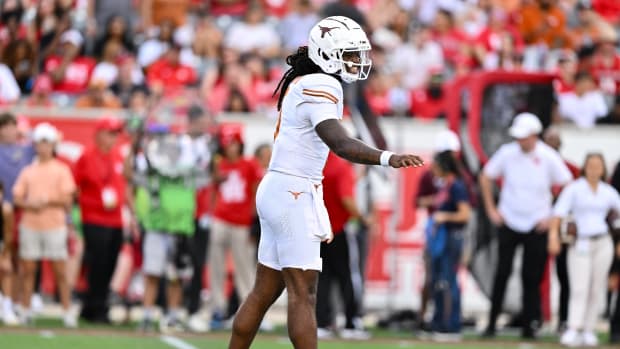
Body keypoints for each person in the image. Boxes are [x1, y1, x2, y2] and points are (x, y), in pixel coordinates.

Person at [227, 16, 424, 349]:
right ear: (328, 54)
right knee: (304, 294)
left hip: (280, 187)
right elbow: (340, 143)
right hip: (293, 190)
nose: (357, 62)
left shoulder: (306, 82)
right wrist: (387, 158)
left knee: (264, 291)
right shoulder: (323, 84)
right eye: (349, 54)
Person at [480, 113, 572, 339]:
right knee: (501, 272)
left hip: (536, 224)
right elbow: (486, 176)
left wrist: (552, 216)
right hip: (509, 220)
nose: (520, 141)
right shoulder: (507, 153)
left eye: (524, 137)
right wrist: (492, 209)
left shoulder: (548, 156)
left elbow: (568, 184)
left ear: (534, 135)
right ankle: (492, 323)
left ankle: (530, 325)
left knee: (531, 277)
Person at [549, 153, 620, 347]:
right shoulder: (574, 189)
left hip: (603, 241)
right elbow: (558, 214)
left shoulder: (608, 192)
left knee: (596, 288)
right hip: (580, 242)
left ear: (603, 169)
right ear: (585, 167)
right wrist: (554, 236)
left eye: (598, 166)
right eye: (591, 165)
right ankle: (574, 327)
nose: (594, 169)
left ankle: (589, 329)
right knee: (579, 287)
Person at [13, 123, 77, 327]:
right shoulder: (28, 170)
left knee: (60, 270)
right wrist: (30, 203)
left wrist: (46, 200)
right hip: (31, 224)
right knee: (28, 269)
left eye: (47, 143)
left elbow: (68, 199)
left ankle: (67, 311)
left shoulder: (61, 169)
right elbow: (17, 198)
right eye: (40, 143)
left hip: (54, 225)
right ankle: (25, 310)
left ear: (53, 145)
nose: (43, 147)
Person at [209, 124, 262, 329]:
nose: (230, 147)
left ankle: (249, 312)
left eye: (233, 143)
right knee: (216, 267)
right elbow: (213, 189)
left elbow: (255, 192)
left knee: (244, 269)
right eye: (227, 143)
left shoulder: (248, 165)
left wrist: (252, 221)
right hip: (221, 219)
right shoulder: (219, 163)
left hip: (241, 223)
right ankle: (217, 308)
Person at [74, 116, 126, 323]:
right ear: (99, 133)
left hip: (116, 219)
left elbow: (125, 184)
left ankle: (92, 306)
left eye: (116, 134)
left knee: (111, 263)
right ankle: (97, 307)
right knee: (97, 263)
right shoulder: (86, 156)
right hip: (94, 217)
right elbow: (75, 185)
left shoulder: (118, 157)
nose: (113, 138)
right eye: (110, 133)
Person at [316, 152, 370, 340]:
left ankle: (321, 323)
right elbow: (346, 199)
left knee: (323, 279)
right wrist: (364, 219)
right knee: (348, 277)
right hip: (340, 229)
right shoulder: (341, 167)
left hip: (320, 230)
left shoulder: (316, 165)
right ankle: (351, 322)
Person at [428, 151, 471, 341]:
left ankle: (453, 326)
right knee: (439, 280)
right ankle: (439, 323)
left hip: (452, 238)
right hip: (442, 238)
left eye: (436, 165)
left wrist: (444, 216)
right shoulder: (445, 186)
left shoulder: (457, 187)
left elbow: (465, 214)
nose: (432, 169)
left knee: (449, 280)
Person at [0, 181, 18, 325]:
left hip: (1, 246)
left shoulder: (6, 211)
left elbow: (8, 236)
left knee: (6, 269)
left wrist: (5, 256)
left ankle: (7, 307)